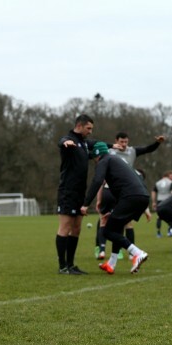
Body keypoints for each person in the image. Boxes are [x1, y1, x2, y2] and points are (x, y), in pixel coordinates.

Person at [81, 142, 150, 275]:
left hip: (131, 197)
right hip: (142, 197)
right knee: (117, 228)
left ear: (97, 155)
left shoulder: (104, 160)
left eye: (94, 157)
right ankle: (111, 264)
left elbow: (97, 181)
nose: (94, 161)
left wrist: (85, 204)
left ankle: (137, 253)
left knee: (107, 232)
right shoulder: (117, 160)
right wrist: (113, 211)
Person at [95, 132, 164, 254]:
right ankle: (101, 249)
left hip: (125, 191)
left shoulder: (132, 151)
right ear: (116, 141)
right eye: (121, 142)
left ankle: (123, 251)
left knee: (125, 222)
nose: (124, 144)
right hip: (109, 189)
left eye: (126, 142)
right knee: (105, 218)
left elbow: (148, 149)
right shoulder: (109, 151)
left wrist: (157, 143)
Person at [56, 114, 102, 275]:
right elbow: (61, 141)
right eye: (88, 128)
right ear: (79, 126)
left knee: (76, 229)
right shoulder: (70, 139)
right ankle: (62, 267)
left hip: (80, 192)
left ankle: (71, 264)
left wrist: (114, 146)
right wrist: (65, 143)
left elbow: (98, 144)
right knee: (65, 228)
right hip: (67, 191)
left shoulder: (84, 143)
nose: (90, 131)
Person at [151, 170, 172, 237]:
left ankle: (158, 233)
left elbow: (153, 192)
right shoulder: (170, 182)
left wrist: (153, 202)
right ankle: (170, 229)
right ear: (167, 176)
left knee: (159, 217)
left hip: (159, 201)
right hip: (167, 201)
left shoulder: (158, 183)